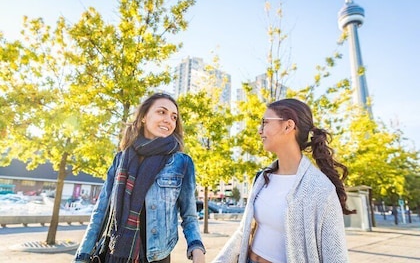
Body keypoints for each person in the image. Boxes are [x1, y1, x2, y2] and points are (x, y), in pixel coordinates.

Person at [213, 98, 355, 263]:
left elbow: (335, 258)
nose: (260, 130)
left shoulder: (321, 190)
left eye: (265, 122)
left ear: (288, 126)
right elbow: (243, 231)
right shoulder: (261, 178)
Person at [73, 93, 205, 263]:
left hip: (157, 256)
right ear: (143, 117)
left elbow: (189, 215)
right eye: (161, 112)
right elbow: (101, 210)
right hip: (114, 253)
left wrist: (196, 247)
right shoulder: (121, 159)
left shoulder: (181, 162)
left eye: (174, 117)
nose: (169, 120)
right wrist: (82, 254)